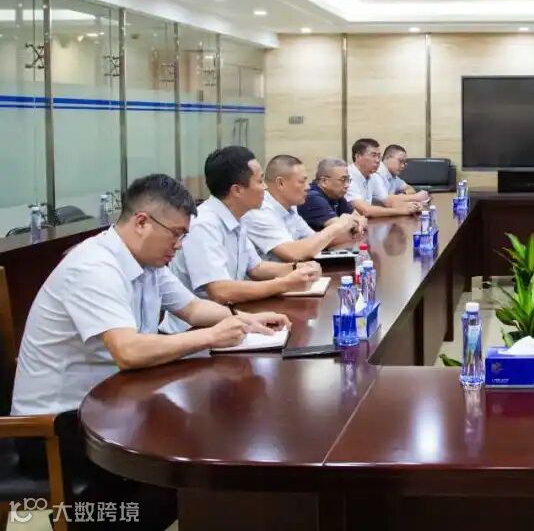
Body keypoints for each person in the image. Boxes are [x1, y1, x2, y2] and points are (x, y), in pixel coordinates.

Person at [12, 174, 290, 530]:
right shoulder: (94, 267)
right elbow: (128, 351)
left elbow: (192, 308)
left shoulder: (147, 262)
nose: (179, 245)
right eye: (176, 234)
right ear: (142, 222)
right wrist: (210, 337)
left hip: (110, 403)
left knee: (199, 441)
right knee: (178, 473)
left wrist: (246, 320)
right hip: (55, 427)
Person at [163, 146, 321, 333]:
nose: (265, 188)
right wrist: (285, 284)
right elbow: (220, 291)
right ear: (237, 190)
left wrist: (298, 268)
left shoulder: (238, 217)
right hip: (192, 330)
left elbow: (256, 268)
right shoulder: (203, 224)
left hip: (230, 320)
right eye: (260, 181)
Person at [244, 154, 364, 261]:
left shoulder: (290, 207)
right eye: (302, 182)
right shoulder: (260, 211)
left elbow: (313, 240)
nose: (307, 187)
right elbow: (293, 253)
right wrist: (338, 226)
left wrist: (350, 228)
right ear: (280, 183)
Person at [347, 138, 422, 218]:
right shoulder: (348, 177)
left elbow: (387, 201)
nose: (378, 160)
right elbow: (366, 211)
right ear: (358, 156)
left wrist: (411, 206)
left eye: (379, 156)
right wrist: (403, 210)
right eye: (373, 155)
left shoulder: (372, 175)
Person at [298, 157, 362, 231]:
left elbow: (360, 219)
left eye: (348, 180)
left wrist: (353, 222)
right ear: (324, 181)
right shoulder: (312, 198)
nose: (347, 185)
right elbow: (340, 229)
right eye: (343, 180)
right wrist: (352, 222)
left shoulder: (336, 195)